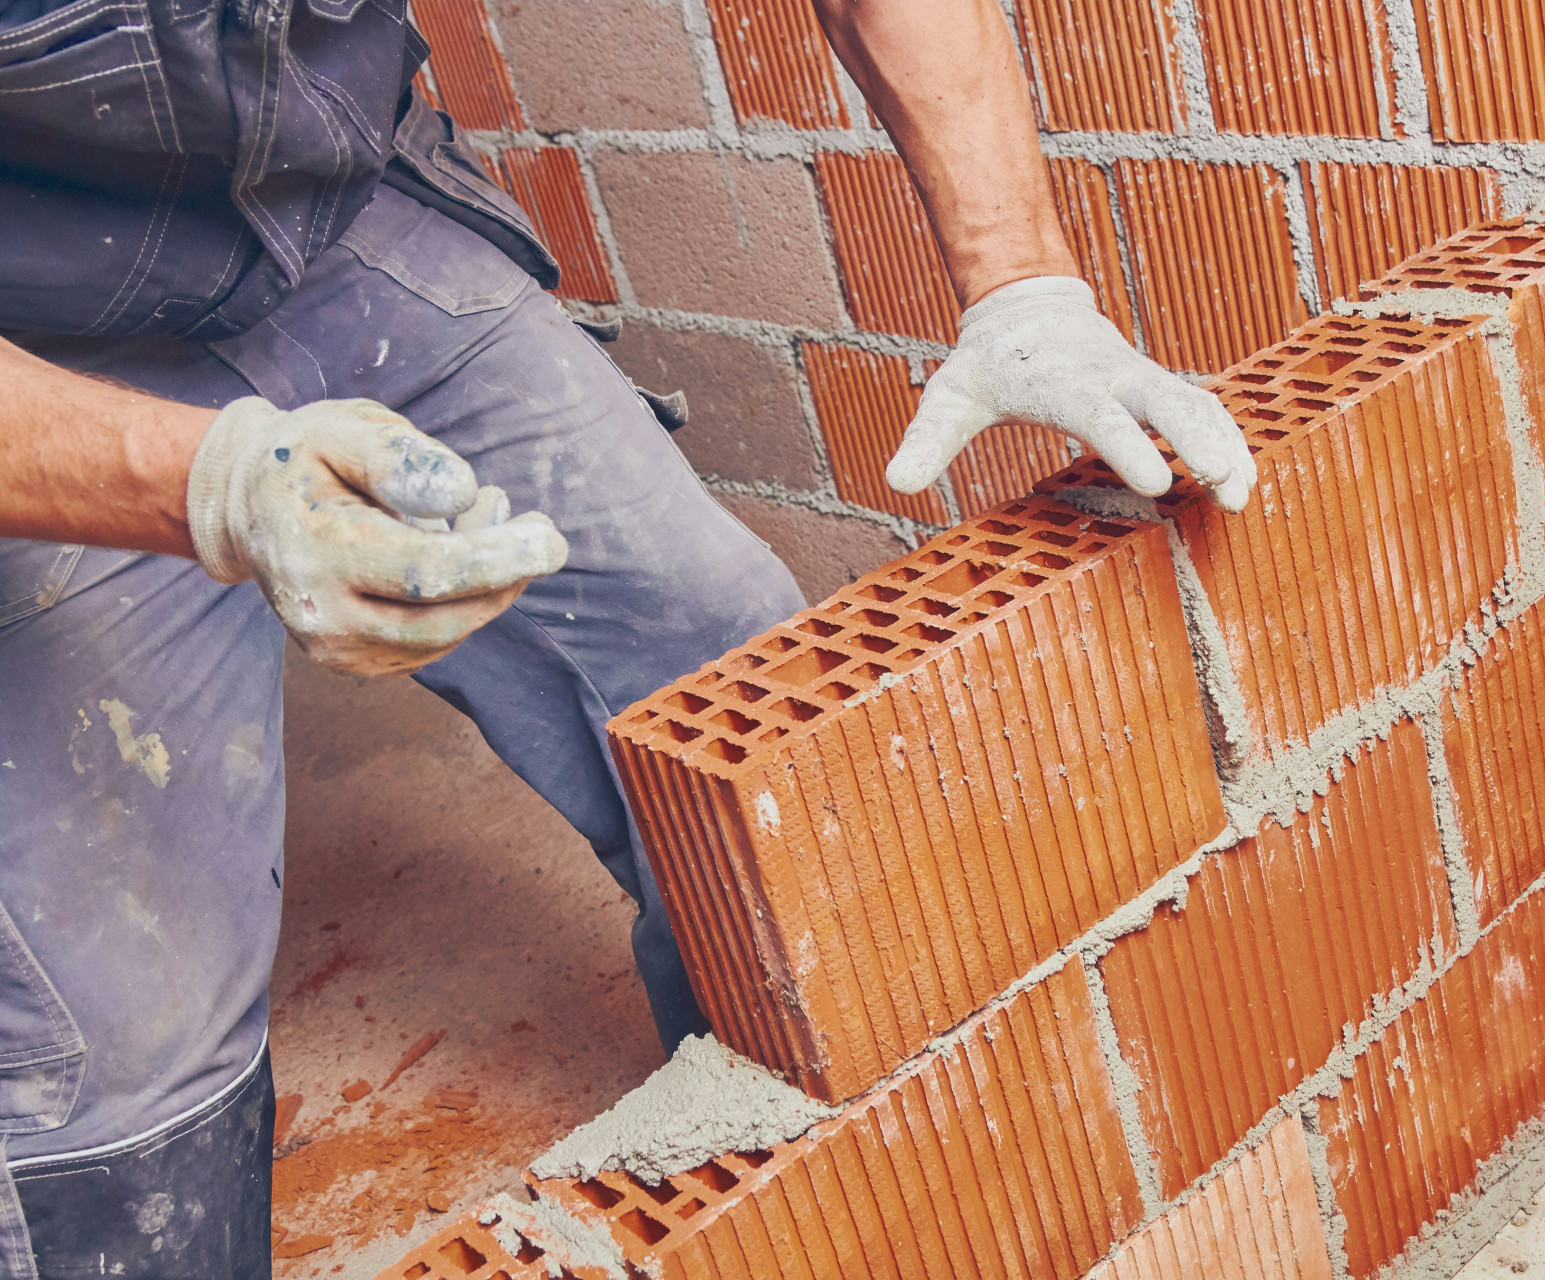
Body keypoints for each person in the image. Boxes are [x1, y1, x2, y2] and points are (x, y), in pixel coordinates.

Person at [0, 0, 1256, 1271]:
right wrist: (215, 487)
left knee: (734, 684)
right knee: (119, 1048)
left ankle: (810, 1194)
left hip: (323, 222)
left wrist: (1024, 283)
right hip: (33, 332)